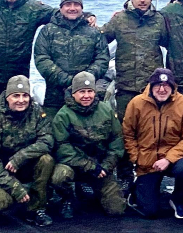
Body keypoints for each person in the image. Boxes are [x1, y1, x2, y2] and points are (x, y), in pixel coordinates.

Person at [0, 75, 56, 226]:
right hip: (3, 170)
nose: (21, 100)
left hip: (26, 165)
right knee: (0, 202)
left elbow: (47, 141)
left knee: (46, 160)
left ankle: (36, 208)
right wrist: (14, 187)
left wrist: (21, 157)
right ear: (7, 97)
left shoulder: (37, 113)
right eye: (16, 96)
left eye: (25, 95)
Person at [122, 68, 183, 219]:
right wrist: (136, 158)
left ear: (173, 87)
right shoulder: (136, 103)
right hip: (147, 160)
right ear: (151, 86)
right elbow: (127, 134)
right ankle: (138, 189)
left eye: (166, 85)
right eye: (158, 85)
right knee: (150, 212)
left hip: (173, 157)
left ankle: (178, 199)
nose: (162, 90)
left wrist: (168, 159)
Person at [50, 72, 126, 218]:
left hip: (101, 167)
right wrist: (89, 166)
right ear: (73, 94)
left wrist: (107, 165)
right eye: (82, 92)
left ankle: (95, 193)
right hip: (75, 166)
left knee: (116, 209)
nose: (86, 96)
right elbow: (62, 148)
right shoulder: (63, 116)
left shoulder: (106, 110)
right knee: (59, 177)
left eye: (90, 91)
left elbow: (117, 140)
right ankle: (68, 198)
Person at [33, 0, 110, 118]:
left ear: (82, 8)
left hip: (86, 97)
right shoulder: (47, 31)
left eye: (76, 5)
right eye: (68, 4)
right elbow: (41, 59)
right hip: (55, 98)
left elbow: (102, 59)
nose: (72, 8)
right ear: (61, 8)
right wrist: (67, 80)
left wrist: (84, 80)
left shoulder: (93, 31)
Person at [102, 0, 168, 118]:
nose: (142, 0)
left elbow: (170, 42)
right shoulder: (119, 19)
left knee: (151, 124)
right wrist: (88, 17)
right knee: (125, 124)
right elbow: (100, 38)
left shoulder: (159, 20)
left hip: (151, 86)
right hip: (125, 86)